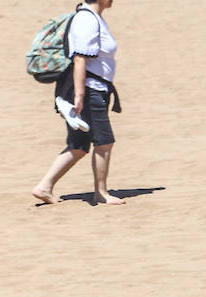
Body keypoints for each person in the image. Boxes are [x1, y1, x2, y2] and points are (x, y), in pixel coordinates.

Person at [32, 0, 124, 205]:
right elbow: (80, 59)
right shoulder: (86, 20)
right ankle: (101, 193)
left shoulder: (93, 18)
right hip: (89, 90)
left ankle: (44, 187)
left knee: (79, 145)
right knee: (104, 140)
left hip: (94, 88)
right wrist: (79, 95)